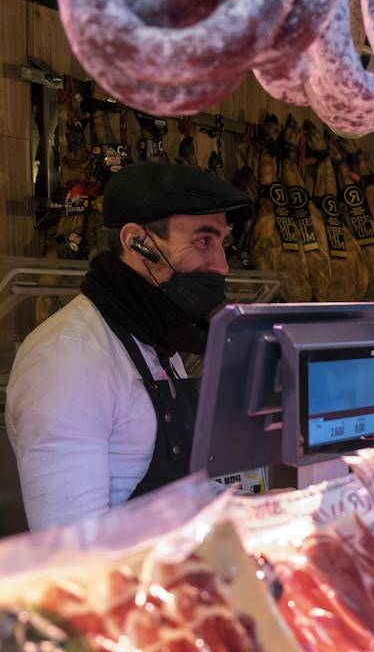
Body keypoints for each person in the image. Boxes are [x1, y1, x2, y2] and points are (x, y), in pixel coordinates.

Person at [6, 161, 251, 530]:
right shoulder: (69, 359)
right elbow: (73, 550)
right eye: (204, 241)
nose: (221, 265)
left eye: (222, 243)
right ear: (138, 242)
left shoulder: (157, 337)